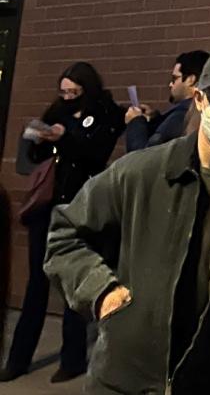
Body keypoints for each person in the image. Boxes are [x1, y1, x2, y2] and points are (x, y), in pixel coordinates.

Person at [44, 40, 210, 395]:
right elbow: (64, 233)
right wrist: (100, 291)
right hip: (124, 380)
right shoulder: (142, 172)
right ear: (198, 98)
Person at [2, 62, 124, 383]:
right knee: (36, 284)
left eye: (74, 92)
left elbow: (95, 152)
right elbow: (31, 159)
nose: (68, 97)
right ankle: (19, 358)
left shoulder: (102, 113)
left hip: (79, 205)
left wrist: (64, 136)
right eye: (64, 91)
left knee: (72, 281)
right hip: (47, 204)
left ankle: (72, 358)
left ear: (87, 89)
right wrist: (39, 139)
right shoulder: (56, 111)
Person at [124, 49, 209, 150]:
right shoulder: (206, 109)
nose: (170, 84)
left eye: (174, 79)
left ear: (191, 79)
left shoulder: (183, 114)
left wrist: (135, 122)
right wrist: (154, 119)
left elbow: (143, 157)